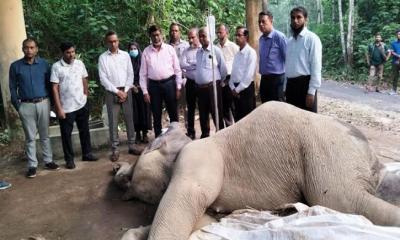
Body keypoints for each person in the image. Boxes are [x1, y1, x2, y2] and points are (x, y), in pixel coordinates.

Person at [9, 38, 60, 178]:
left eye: (32, 47)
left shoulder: (44, 64)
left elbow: (50, 85)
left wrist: (53, 104)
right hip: (26, 105)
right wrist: (18, 106)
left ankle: (48, 161)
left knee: (45, 135)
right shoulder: (15, 66)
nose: (29, 50)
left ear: (36, 49)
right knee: (30, 137)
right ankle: (32, 165)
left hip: (44, 102)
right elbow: (12, 88)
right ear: (22, 49)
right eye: (26, 47)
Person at [51, 42, 98, 169]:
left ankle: (87, 153)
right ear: (62, 53)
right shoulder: (56, 67)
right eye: (68, 52)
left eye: (73, 51)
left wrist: (85, 96)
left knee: (85, 130)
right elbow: (55, 88)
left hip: (81, 103)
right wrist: (59, 108)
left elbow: (84, 79)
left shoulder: (79, 63)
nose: (71, 54)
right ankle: (69, 159)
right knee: (66, 134)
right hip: (66, 107)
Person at [99, 31, 141, 162]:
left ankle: (132, 145)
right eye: (110, 41)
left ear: (118, 41)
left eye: (115, 41)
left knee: (129, 118)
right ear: (107, 42)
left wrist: (126, 89)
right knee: (113, 121)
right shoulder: (103, 58)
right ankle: (115, 149)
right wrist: (117, 92)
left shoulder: (125, 56)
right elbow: (103, 78)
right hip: (112, 92)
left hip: (126, 89)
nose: (113, 43)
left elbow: (130, 74)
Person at [140, 25, 183, 137]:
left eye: (158, 35)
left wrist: (178, 87)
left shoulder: (169, 49)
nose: (156, 38)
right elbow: (143, 74)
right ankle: (158, 139)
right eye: (153, 35)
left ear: (162, 35)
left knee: (173, 112)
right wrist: (145, 92)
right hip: (154, 86)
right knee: (156, 113)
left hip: (169, 84)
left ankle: (176, 137)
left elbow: (177, 70)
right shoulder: (146, 52)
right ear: (150, 37)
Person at [285, 6, 322, 113]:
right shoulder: (289, 42)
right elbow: (287, 66)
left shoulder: (312, 39)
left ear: (306, 19)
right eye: (293, 18)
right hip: (291, 86)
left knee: (308, 123)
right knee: (292, 121)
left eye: (299, 17)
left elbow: (316, 66)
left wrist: (311, 92)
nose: (295, 21)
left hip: (305, 86)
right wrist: (285, 88)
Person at [196, 27, 227, 138]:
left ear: (209, 36)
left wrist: (218, 82)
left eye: (203, 36)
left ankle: (221, 135)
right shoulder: (198, 52)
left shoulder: (216, 51)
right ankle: (205, 135)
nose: (201, 38)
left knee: (216, 112)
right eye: (199, 36)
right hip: (201, 88)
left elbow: (223, 70)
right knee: (203, 113)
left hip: (213, 87)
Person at [258, 11, 287, 102]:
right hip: (264, 79)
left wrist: (285, 84)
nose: (261, 24)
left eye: (263, 21)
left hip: (277, 79)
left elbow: (287, 59)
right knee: (265, 107)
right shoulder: (261, 39)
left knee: (277, 109)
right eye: (259, 22)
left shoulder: (279, 37)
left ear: (271, 21)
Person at [230, 26, 257, 122]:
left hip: (246, 89)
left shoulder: (251, 53)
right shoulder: (237, 54)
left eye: (239, 35)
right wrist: (232, 86)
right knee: (238, 118)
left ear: (246, 37)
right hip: (235, 89)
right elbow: (233, 73)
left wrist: (237, 90)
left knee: (247, 119)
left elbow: (248, 75)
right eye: (236, 35)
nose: (236, 37)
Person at [128, 42, 152, 143]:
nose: (133, 51)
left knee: (144, 111)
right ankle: (137, 133)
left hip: (143, 89)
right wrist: (132, 86)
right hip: (131, 89)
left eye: (135, 48)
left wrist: (141, 86)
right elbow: (126, 74)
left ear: (138, 49)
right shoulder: (126, 61)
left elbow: (147, 73)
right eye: (131, 49)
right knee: (135, 112)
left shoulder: (143, 59)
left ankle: (145, 133)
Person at [180, 28, 201, 139]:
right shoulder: (186, 51)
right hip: (190, 83)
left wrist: (190, 65)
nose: (190, 40)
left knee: (203, 108)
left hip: (202, 84)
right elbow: (182, 64)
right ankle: (191, 131)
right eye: (189, 38)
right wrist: (194, 65)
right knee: (190, 108)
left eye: (193, 37)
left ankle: (205, 132)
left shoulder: (202, 50)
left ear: (198, 37)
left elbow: (201, 65)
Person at [216, 24, 239, 127]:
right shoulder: (215, 48)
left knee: (234, 106)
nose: (218, 34)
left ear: (227, 33)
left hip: (232, 79)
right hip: (221, 80)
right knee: (224, 106)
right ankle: (228, 128)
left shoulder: (233, 47)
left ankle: (238, 128)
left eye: (221, 32)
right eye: (217, 32)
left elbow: (239, 62)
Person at [389, 29, 400, 95]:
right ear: (396, 35)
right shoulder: (393, 43)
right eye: (399, 34)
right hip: (395, 62)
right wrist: (398, 55)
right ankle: (394, 90)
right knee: (395, 76)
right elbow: (391, 51)